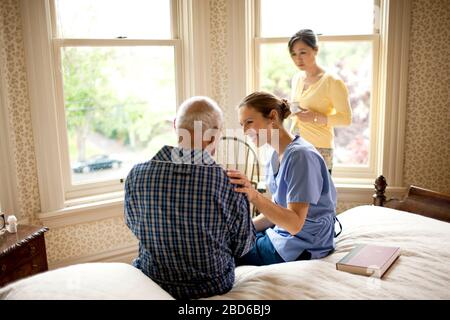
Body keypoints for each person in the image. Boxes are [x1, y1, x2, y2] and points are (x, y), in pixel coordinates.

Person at [124, 96, 255, 299]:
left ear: (176, 126)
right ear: (213, 138)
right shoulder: (230, 183)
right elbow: (242, 247)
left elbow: (134, 225)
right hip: (213, 285)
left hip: (153, 281)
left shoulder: (136, 174)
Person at [227, 91, 340, 266]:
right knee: (229, 240)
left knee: (224, 252)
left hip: (302, 245)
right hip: (281, 235)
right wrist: (240, 229)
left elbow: (294, 224)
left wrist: (254, 196)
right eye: (242, 124)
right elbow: (274, 215)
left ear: (272, 116)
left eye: (249, 122)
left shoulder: (300, 156)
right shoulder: (275, 156)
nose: (244, 131)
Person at [288, 29, 352, 173]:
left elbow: (346, 118)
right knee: (298, 195)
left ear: (315, 50)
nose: (298, 59)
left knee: (318, 195)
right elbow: (297, 108)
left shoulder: (332, 82)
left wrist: (315, 117)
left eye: (303, 52)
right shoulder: (297, 78)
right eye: (294, 54)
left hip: (319, 149)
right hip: (296, 146)